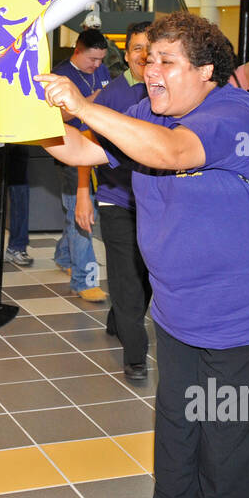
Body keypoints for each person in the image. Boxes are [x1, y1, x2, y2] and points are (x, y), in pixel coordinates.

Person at [36, 12, 249, 498]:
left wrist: (85, 106)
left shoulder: (234, 110)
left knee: (232, 423)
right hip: (182, 304)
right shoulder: (144, 111)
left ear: (206, 71)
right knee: (179, 416)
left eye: (166, 61)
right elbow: (81, 151)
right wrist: (19, 113)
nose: (150, 70)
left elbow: (174, 153)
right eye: (147, 58)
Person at [93, 22, 152, 383]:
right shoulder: (112, 95)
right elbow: (89, 144)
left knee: (147, 276)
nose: (143, 56)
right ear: (126, 54)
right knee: (127, 278)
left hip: (156, 203)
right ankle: (136, 355)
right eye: (136, 49)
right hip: (118, 200)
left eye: (150, 48)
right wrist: (86, 195)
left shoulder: (168, 91)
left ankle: (119, 319)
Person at [51, 28, 112, 302]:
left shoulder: (102, 70)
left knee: (78, 211)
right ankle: (83, 280)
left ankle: (64, 254)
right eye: (92, 60)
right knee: (81, 212)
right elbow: (56, 113)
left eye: (101, 60)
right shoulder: (61, 75)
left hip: (99, 147)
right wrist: (89, 102)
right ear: (77, 50)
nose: (97, 66)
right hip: (73, 151)